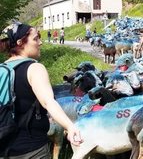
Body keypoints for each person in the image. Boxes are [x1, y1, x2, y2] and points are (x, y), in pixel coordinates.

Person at [0, 22, 82, 158]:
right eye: (36, 38)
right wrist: (70, 126)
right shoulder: (34, 68)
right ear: (20, 42)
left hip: (4, 147)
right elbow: (48, 102)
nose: (40, 42)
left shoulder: (2, 69)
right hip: (32, 149)